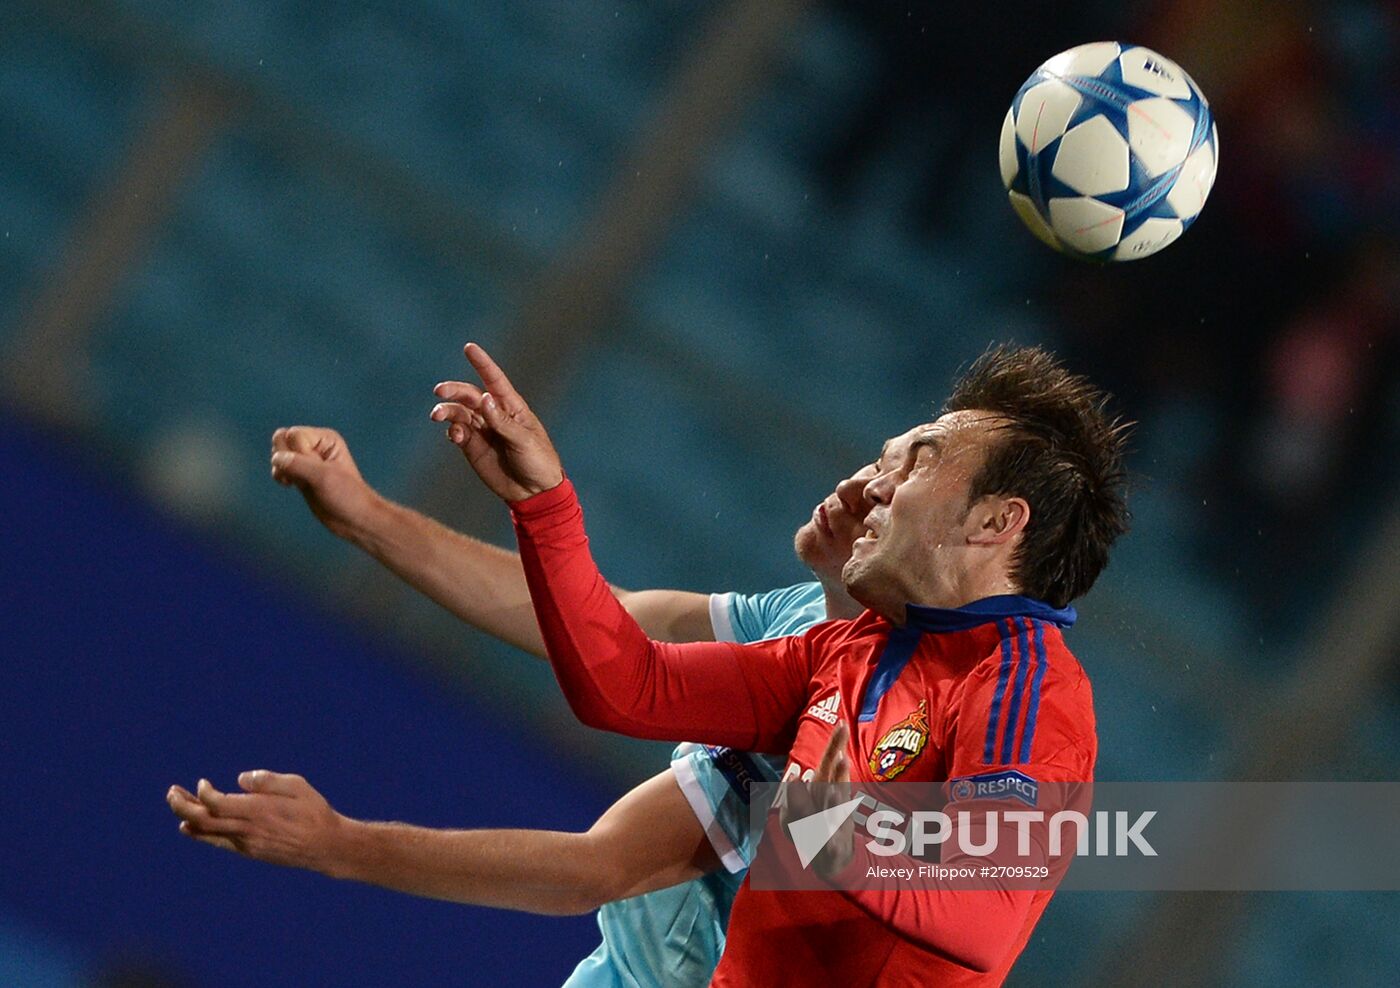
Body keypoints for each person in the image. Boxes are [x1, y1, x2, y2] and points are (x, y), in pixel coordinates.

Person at [429, 341, 1131, 985]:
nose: (876, 487)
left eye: (917, 464)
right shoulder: (856, 647)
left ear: (994, 523)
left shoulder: (1029, 693)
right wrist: (543, 505)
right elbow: (627, 686)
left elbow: (990, 908)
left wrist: (845, 840)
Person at [168, 423, 924, 985]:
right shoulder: (801, 618)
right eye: (877, 461)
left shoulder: (872, 731)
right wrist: (366, 516)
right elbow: (607, 626)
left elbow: (597, 868)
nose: (858, 488)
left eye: (894, 488)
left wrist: (338, 844)